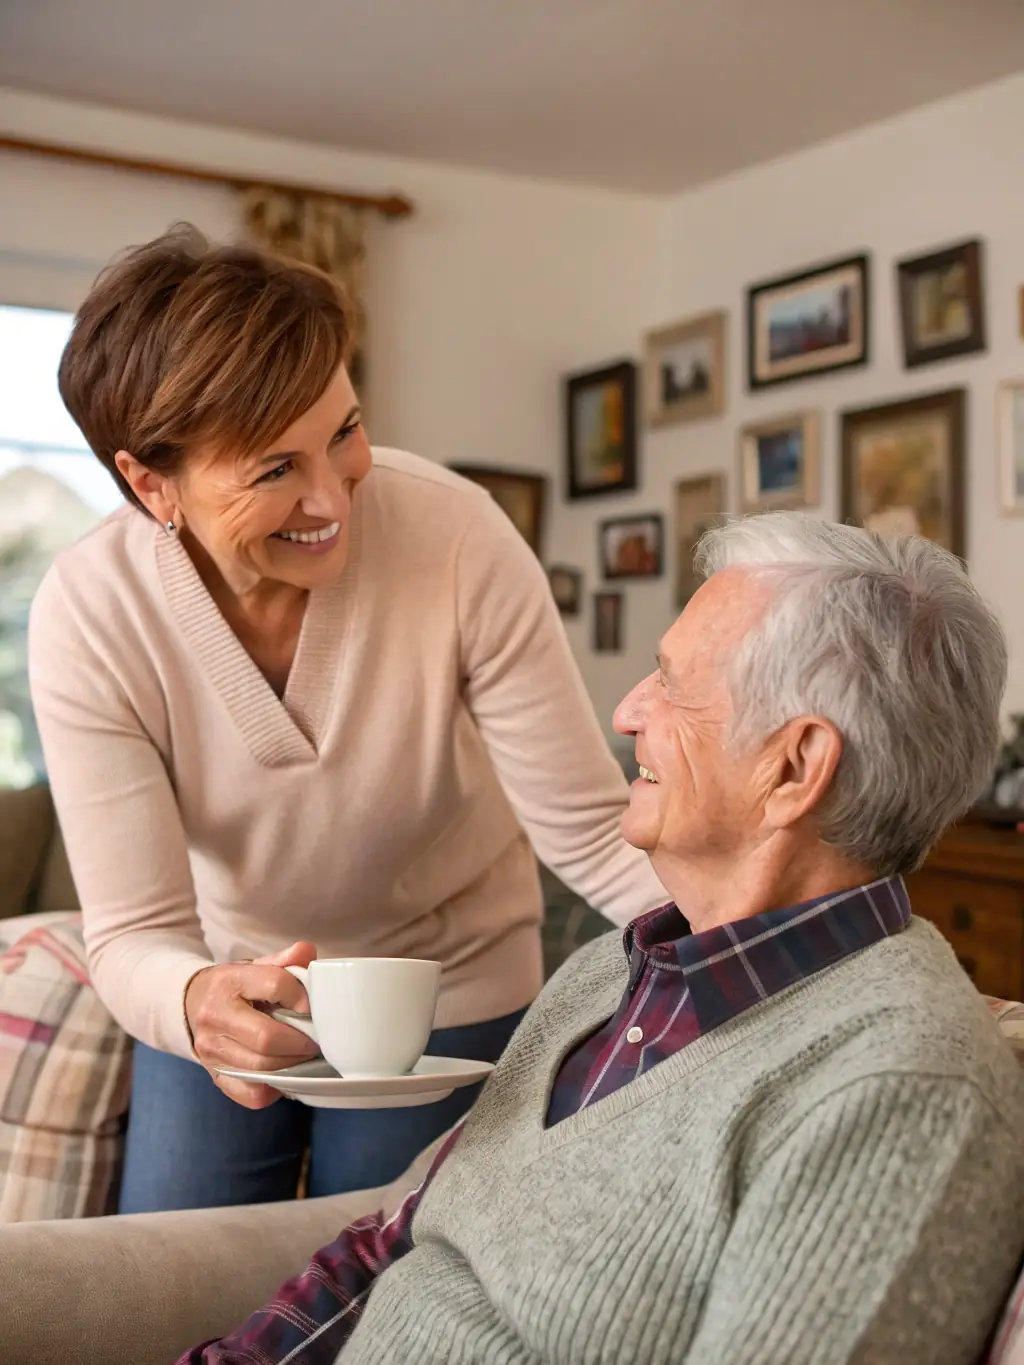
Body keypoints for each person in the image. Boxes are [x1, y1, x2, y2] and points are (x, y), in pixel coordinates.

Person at [179, 513, 1024, 1365]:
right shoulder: (609, 975)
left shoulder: (902, 1086)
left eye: (671, 682)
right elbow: (391, 1241)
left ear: (795, 767)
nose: (626, 712)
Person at [27, 226, 667, 1214]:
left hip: (449, 986)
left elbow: (587, 830)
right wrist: (198, 1003)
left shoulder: (456, 537)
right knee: (173, 1279)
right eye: (273, 469)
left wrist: (772, 942)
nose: (333, 495)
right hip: (229, 981)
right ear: (152, 483)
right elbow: (136, 932)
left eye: (344, 430)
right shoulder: (91, 611)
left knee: (389, 1302)